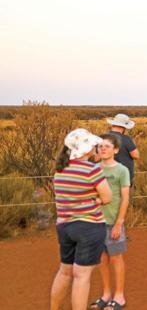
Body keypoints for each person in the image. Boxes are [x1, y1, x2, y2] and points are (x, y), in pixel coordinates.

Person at [50, 129, 113, 310]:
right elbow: (107, 198)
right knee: (82, 276)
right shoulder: (92, 170)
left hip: (64, 227)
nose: (96, 147)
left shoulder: (60, 170)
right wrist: (96, 200)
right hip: (89, 227)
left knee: (65, 271)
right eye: (93, 145)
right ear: (85, 149)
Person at [90, 134, 130, 310]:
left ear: (116, 150)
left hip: (113, 222)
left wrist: (119, 223)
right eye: (100, 146)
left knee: (116, 258)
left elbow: (125, 198)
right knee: (101, 259)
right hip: (96, 221)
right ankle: (106, 294)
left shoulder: (121, 170)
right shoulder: (94, 169)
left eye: (107, 146)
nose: (102, 148)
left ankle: (119, 296)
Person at [105, 114, 139, 188]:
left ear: (113, 125)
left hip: (106, 177)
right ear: (123, 127)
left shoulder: (103, 137)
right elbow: (136, 155)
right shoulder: (126, 139)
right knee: (124, 198)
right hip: (124, 178)